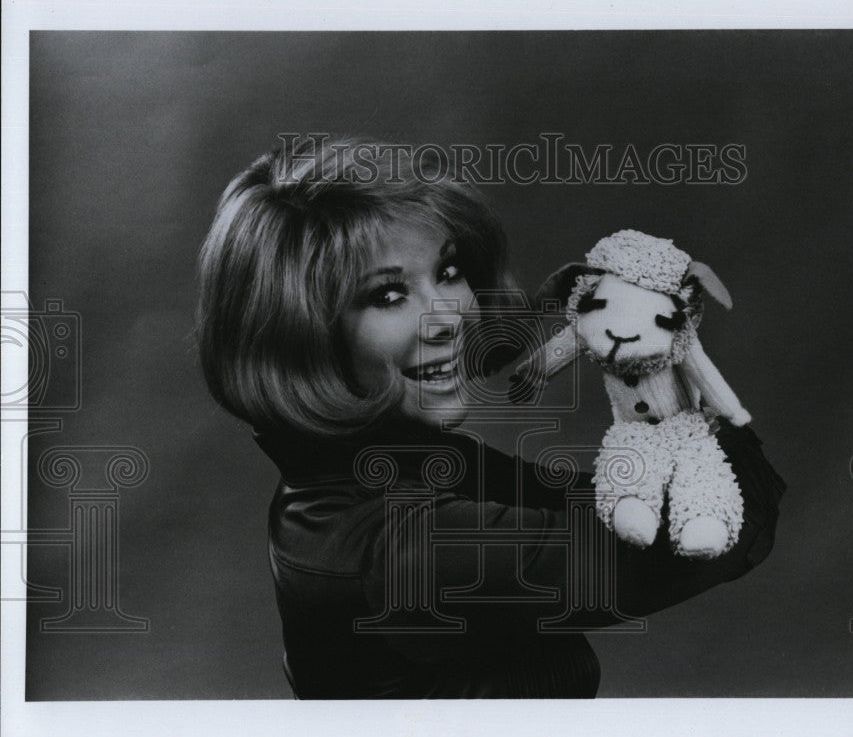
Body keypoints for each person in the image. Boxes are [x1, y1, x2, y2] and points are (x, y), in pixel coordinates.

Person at [195, 136, 785, 699]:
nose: (450, 314)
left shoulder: (401, 468)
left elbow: (613, 507)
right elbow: (666, 555)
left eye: (448, 273)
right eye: (389, 295)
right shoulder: (390, 546)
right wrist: (701, 416)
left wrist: (672, 431)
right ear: (304, 340)